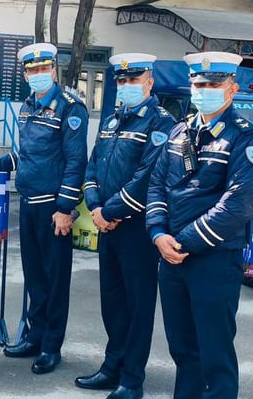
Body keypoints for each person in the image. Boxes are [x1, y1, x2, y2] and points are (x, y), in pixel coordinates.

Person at [145, 52, 253, 399]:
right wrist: (158, 233)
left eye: (214, 85)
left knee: (215, 353)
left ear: (232, 88)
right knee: (183, 350)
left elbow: (236, 206)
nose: (204, 91)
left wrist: (181, 242)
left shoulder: (248, 140)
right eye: (199, 84)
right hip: (172, 259)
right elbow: (157, 185)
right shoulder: (179, 132)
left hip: (214, 260)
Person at [0, 42, 88, 375]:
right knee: (35, 278)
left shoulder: (70, 108)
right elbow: (27, 153)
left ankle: (51, 346)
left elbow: (76, 161)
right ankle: (34, 336)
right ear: (26, 75)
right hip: (28, 205)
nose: (38, 74)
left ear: (53, 70)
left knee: (54, 281)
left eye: (44, 69)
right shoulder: (28, 106)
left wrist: (65, 207)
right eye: (32, 70)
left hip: (53, 210)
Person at [75, 54, 174, 399]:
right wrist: (96, 207)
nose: (127, 85)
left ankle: (132, 379)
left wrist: (111, 211)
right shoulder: (112, 119)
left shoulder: (161, 123)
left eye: (134, 79)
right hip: (108, 226)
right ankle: (112, 366)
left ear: (149, 82)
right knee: (112, 301)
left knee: (138, 304)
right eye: (122, 80)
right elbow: (92, 167)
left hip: (137, 229)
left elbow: (148, 177)